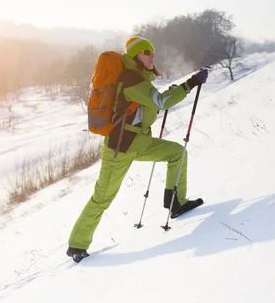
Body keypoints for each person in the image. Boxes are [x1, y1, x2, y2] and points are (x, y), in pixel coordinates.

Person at [66, 36, 208, 263]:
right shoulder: (131, 80)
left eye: (152, 50)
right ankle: (77, 245)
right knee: (103, 197)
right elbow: (161, 102)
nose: (152, 55)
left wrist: (172, 91)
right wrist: (191, 83)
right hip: (119, 149)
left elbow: (151, 103)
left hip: (140, 143)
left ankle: (176, 203)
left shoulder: (139, 79)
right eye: (146, 51)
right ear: (135, 56)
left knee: (177, 153)